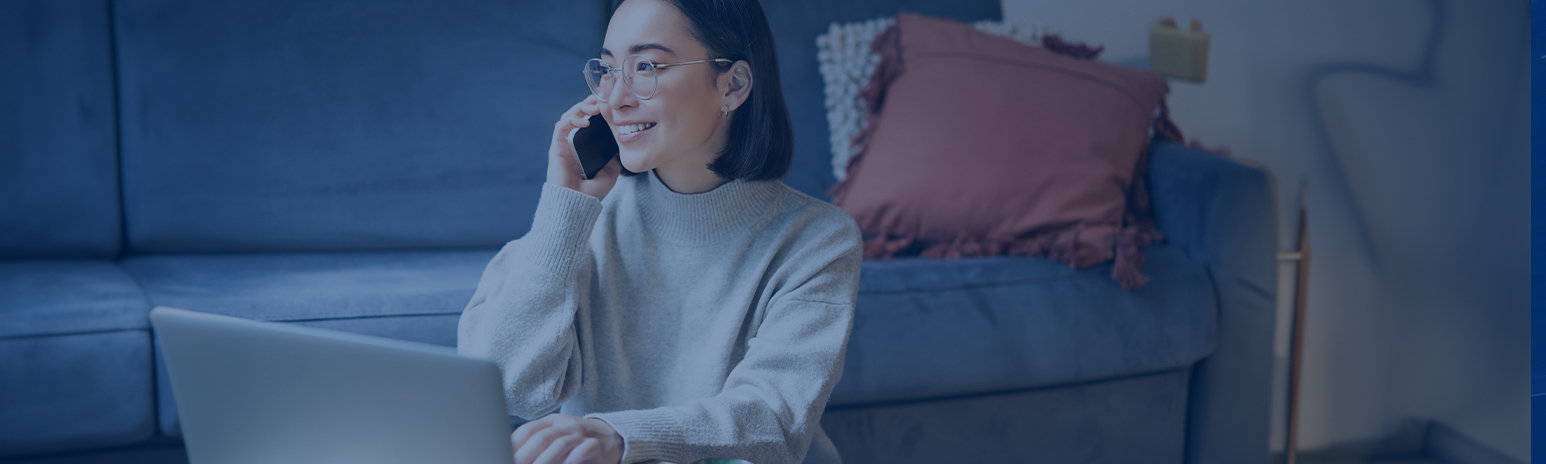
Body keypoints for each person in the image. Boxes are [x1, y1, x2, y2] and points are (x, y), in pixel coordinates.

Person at [456, 0, 863, 462]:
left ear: (734, 85)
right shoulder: (579, 221)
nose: (615, 98)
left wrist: (617, 435)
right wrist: (560, 213)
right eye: (609, 69)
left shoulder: (818, 238)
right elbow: (510, 388)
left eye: (647, 66)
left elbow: (773, 418)